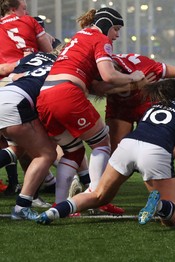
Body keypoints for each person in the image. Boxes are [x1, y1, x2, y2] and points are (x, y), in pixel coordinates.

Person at [36, 78, 175, 226]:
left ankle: (54, 213)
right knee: (174, 219)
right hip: (154, 154)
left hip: (127, 146)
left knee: (98, 195)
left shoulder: (152, 108)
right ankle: (159, 206)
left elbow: (153, 137)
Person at [35, 7, 149, 214]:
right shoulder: (100, 39)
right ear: (105, 24)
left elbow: (98, 86)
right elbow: (108, 76)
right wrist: (134, 77)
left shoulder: (79, 36)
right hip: (67, 94)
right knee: (102, 143)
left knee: (74, 151)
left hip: (45, 96)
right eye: (115, 28)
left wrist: (129, 85)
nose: (117, 34)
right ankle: (97, 197)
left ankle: (60, 204)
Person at [0, 50, 59, 220]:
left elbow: (14, 76)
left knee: (17, 149)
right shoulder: (63, 65)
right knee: (46, 154)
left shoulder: (36, 57)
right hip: (17, 102)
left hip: (5, 93)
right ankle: (21, 207)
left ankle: (28, 199)